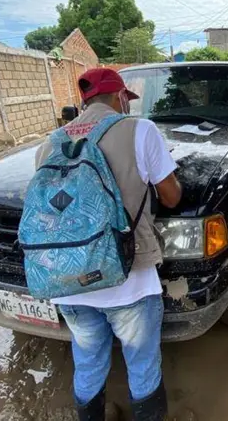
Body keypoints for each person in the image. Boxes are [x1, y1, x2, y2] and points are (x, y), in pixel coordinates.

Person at [34, 68, 182, 421]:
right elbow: (172, 196)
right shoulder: (139, 130)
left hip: (68, 281)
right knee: (142, 364)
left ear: (84, 103)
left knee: (87, 360)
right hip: (128, 280)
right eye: (125, 101)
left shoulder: (49, 143)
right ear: (120, 98)